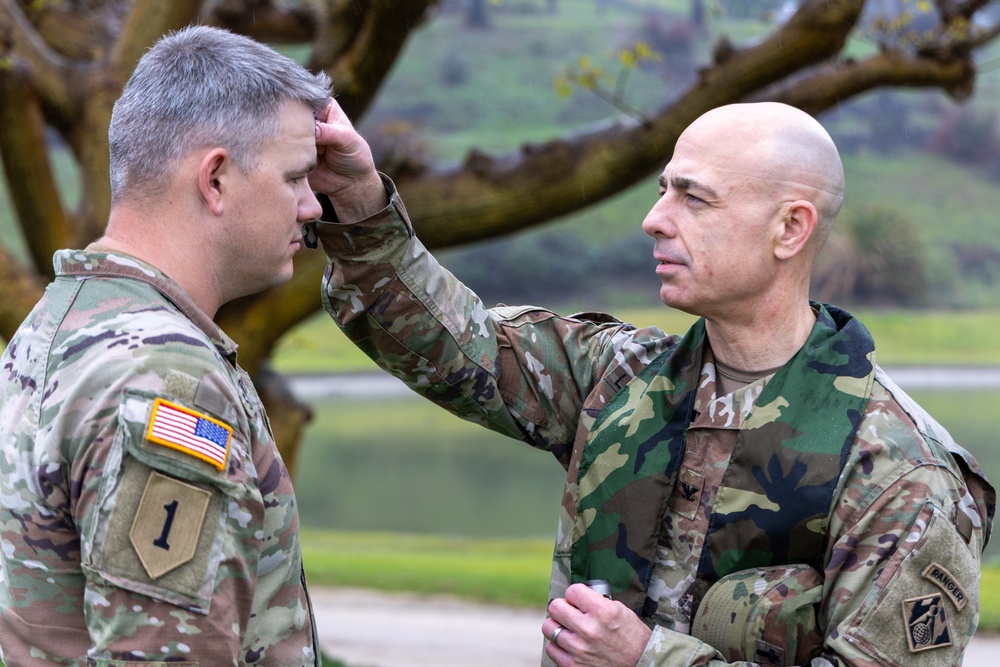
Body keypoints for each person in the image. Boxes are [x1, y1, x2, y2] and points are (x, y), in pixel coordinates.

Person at [308, 100, 995, 666]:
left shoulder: (900, 469)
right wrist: (357, 198)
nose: (655, 219)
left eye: (693, 198)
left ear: (790, 228)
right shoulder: (618, 376)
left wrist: (649, 659)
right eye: (663, 189)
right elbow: (451, 343)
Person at [0, 25, 341, 665]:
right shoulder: (167, 378)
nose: (312, 206)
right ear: (215, 179)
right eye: (296, 177)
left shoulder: (57, 323)